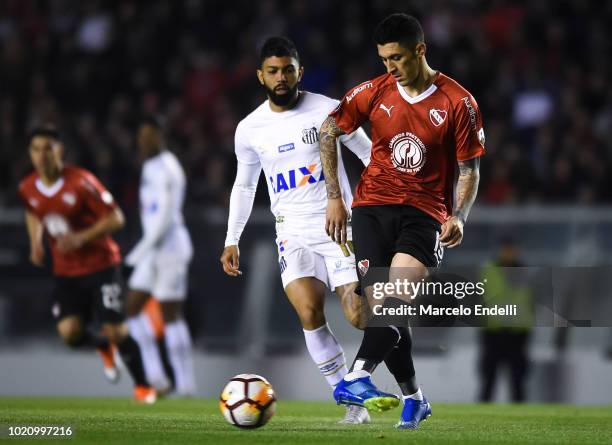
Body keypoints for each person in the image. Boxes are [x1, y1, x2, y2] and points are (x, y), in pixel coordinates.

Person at [320, 13, 484, 429]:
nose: (389, 67)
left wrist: (460, 215)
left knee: (395, 302)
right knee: (383, 316)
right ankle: (416, 398)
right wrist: (334, 199)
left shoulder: (457, 102)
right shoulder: (372, 92)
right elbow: (327, 130)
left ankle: (355, 377)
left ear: (420, 50)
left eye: (396, 58)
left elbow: (469, 170)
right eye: (383, 59)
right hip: (371, 208)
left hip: (424, 214)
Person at [219, 37, 372, 424]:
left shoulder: (328, 110)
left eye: (288, 69)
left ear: (299, 71)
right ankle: (352, 404)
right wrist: (231, 238)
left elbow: (369, 153)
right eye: (273, 71)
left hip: (339, 226)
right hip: (291, 232)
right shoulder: (249, 129)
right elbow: (244, 185)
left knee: (357, 315)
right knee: (308, 310)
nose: (281, 77)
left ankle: (378, 366)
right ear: (260, 76)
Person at [18, 125, 156, 403]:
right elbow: (33, 210)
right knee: (70, 334)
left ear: (60, 151)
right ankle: (102, 346)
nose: (42, 155)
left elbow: (117, 218)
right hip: (66, 272)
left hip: (102, 266)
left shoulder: (81, 181)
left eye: (48, 148)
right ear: (30, 154)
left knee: (116, 329)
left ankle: (143, 386)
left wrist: (81, 237)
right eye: (36, 149)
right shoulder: (28, 187)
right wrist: (35, 241)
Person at [124, 117, 196, 396]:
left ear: (159, 136)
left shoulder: (168, 167)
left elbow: (165, 217)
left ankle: (186, 385)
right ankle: (156, 377)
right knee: (131, 309)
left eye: (148, 136)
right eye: (140, 136)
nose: (143, 141)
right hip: (151, 249)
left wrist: (136, 253)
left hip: (170, 248)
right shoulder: (149, 166)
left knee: (170, 315)